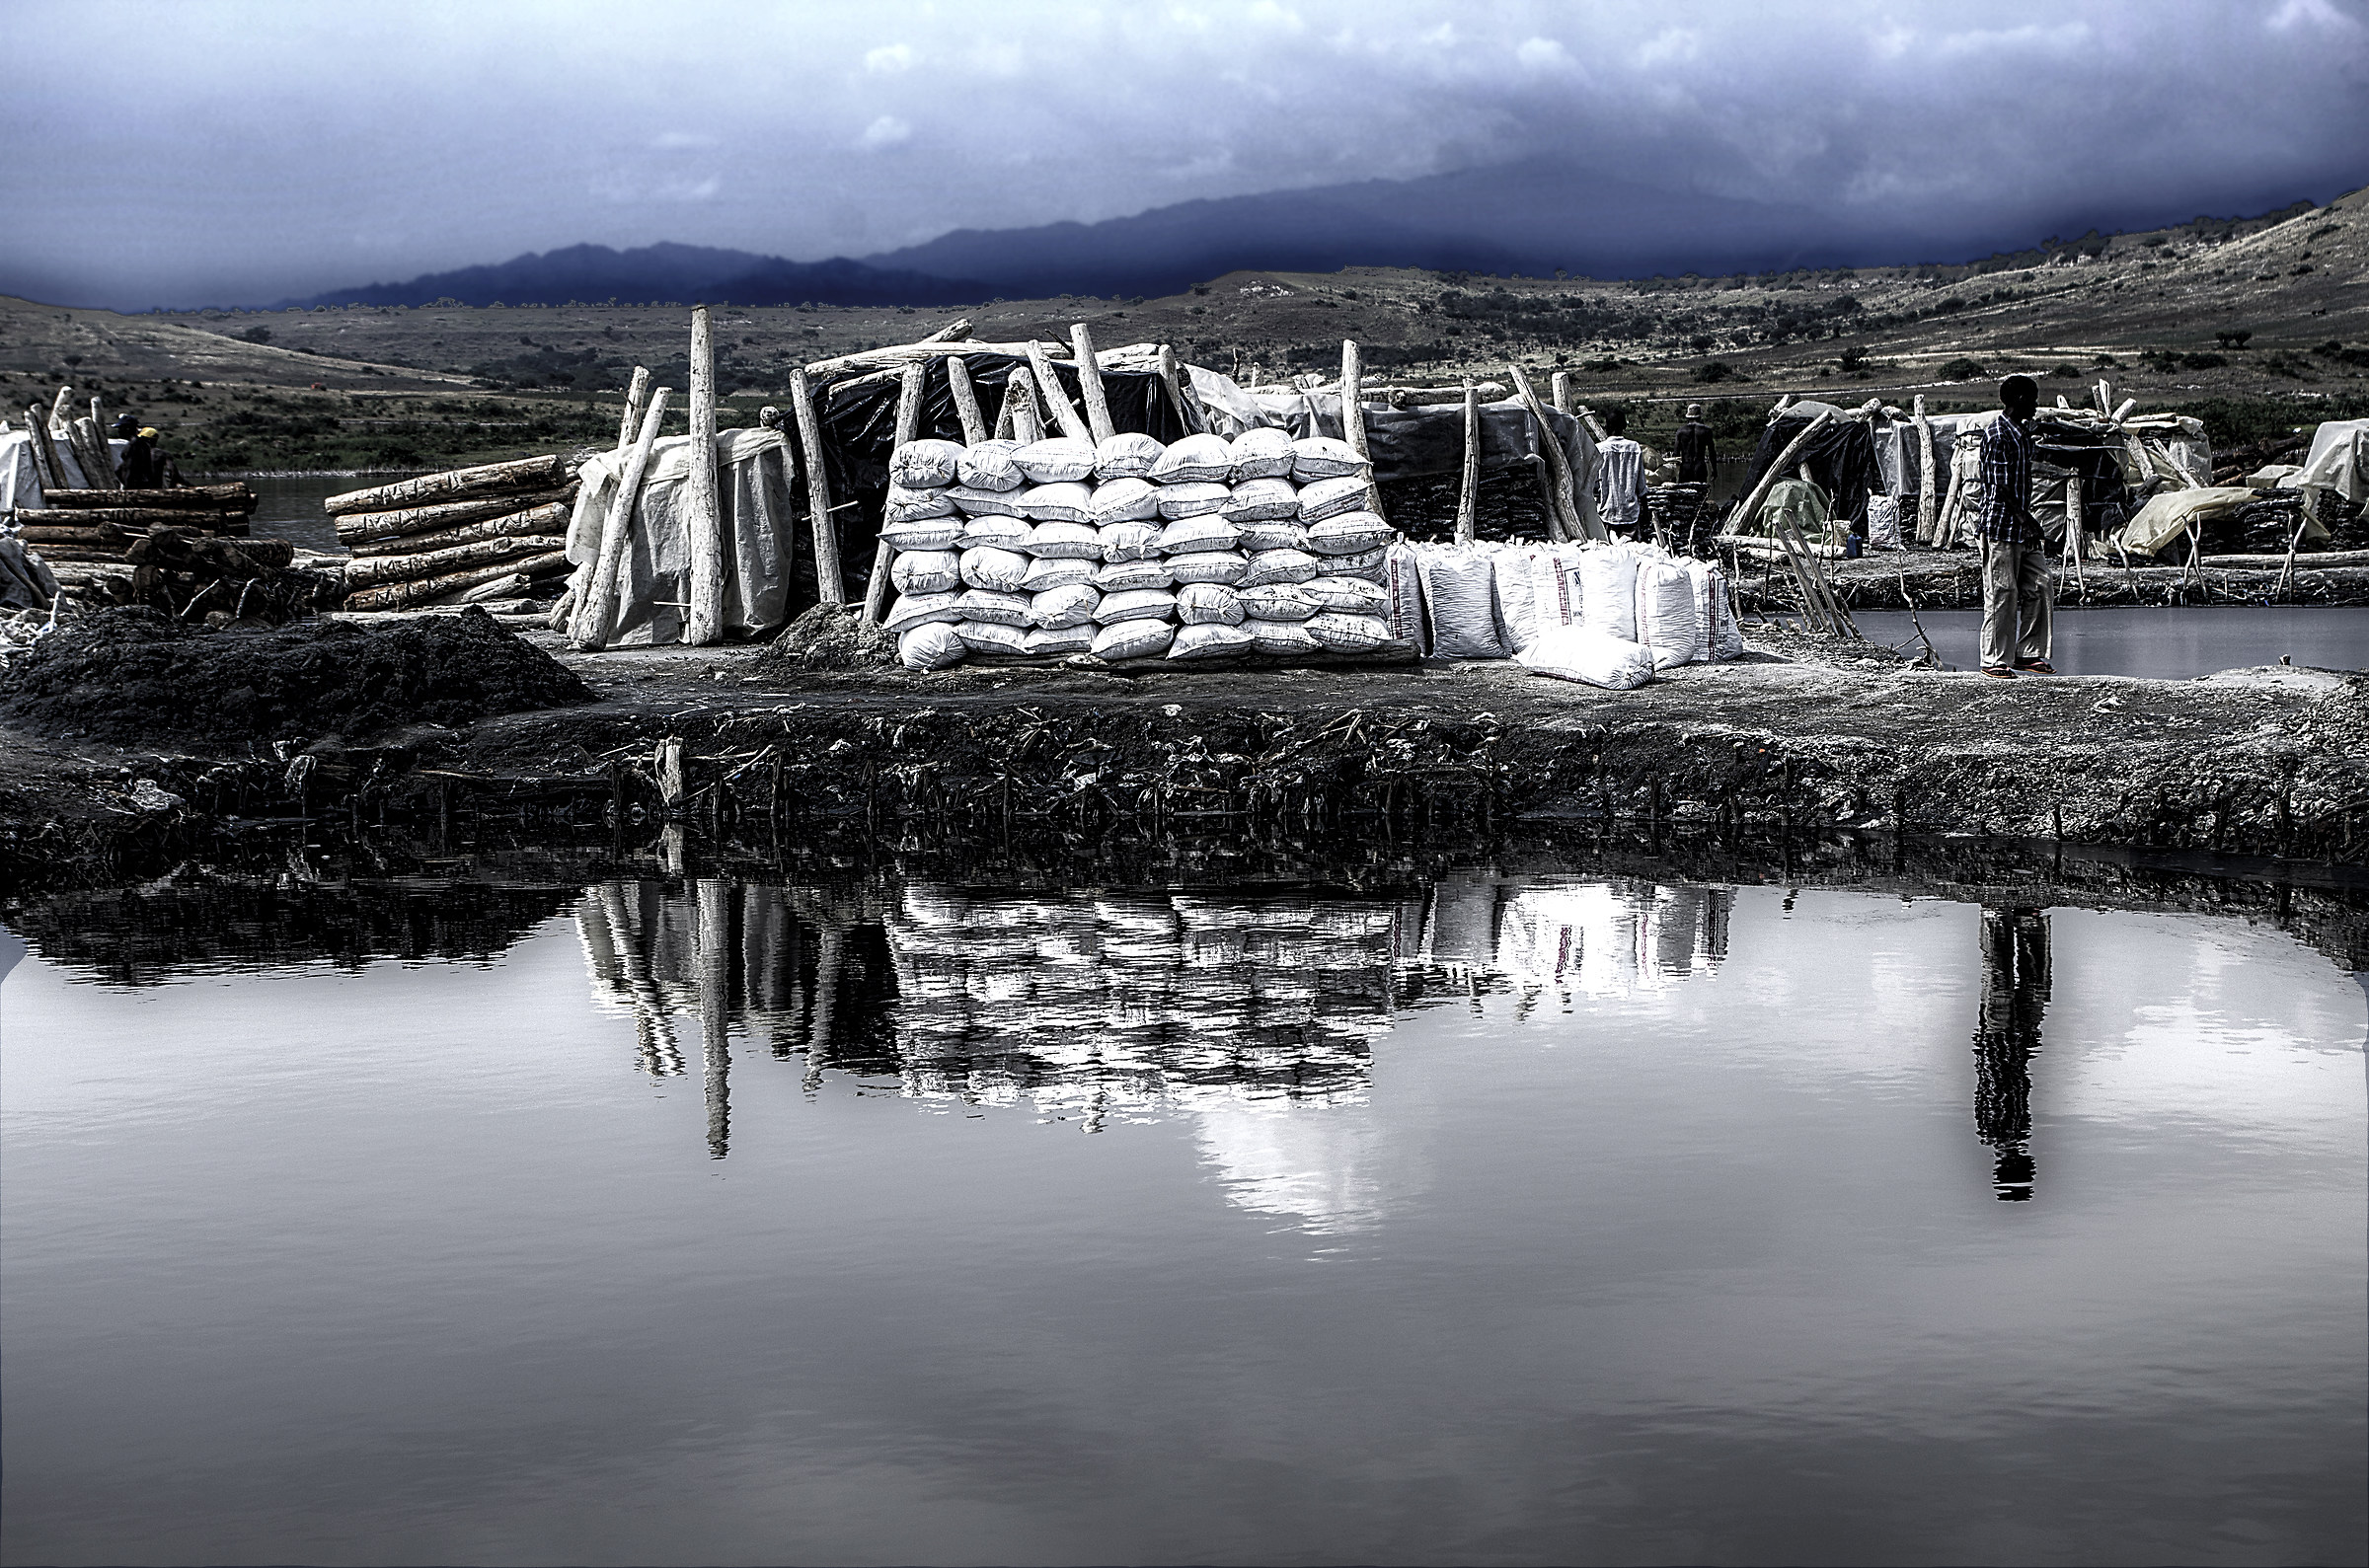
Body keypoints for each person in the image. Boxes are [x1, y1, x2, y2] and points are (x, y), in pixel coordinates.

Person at [1977, 375, 2054, 677]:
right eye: (2032, 399)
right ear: (2019, 399)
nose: (2035, 405)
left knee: (2040, 584)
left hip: (2020, 526)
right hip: (2001, 526)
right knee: (2002, 592)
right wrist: (2028, 520)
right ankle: (1993, 659)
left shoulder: (2021, 434)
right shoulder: (1997, 434)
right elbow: (2000, 487)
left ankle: (2028, 652)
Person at [1592, 408, 1646, 536]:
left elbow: (1593, 485)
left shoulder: (1598, 449)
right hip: (1630, 513)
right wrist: (1646, 510)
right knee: (1630, 553)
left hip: (1606, 512)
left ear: (1606, 427)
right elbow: (1641, 485)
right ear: (1624, 426)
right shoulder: (1634, 448)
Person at [112, 417, 164, 489]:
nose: (119, 431)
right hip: (145, 485)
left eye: (120, 428)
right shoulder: (143, 444)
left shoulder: (133, 445)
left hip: (135, 486)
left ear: (127, 429)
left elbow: (130, 469)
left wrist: (127, 489)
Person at [1674, 403, 1717, 485]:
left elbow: (1676, 454)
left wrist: (1673, 473)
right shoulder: (1706, 431)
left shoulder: (1681, 431)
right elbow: (1712, 452)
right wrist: (1714, 469)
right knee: (1700, 494)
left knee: (1685, 495)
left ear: (1688, 417)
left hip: (1685, 468)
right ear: (1700, 416)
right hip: (1700, 467)